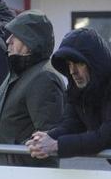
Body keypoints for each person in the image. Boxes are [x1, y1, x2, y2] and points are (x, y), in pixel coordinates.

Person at [0, 11, 65, 167]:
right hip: (1, 173)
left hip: (24, 178)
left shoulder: (44, 78)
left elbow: (48, 136)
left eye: (16, 36)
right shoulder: (15, 74)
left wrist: (14, 156)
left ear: (31, 42)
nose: (8, 41)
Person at [27, 28, 111, 161]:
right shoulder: (77, 89)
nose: (72, 71)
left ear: (95, 64)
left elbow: (105, 137)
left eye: (79, 63)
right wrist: (47, 137)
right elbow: (71, 125)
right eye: (69, 64)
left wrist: (56, 145)